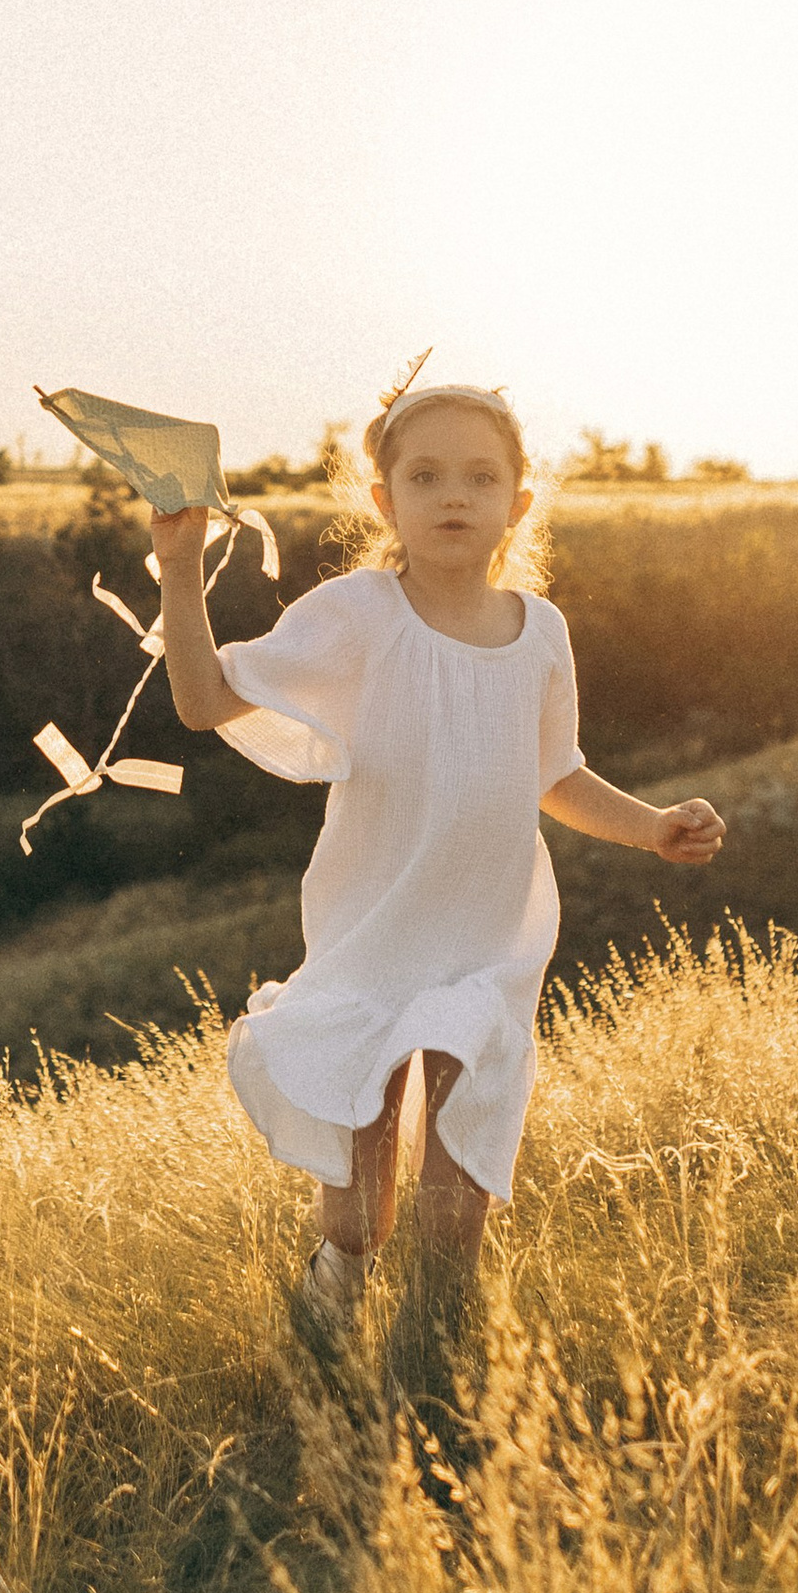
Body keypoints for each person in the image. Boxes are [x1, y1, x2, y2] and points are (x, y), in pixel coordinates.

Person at [154, 370, 726, 1333]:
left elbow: (557, 777)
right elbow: (205, 702)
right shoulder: (359, 614)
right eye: (424, 477)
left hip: (488, 944)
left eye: (478, 477)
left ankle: (438, 1358)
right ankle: (333, 1291)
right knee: (364, 1216)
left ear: (518, 501)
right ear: (384, 500)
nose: (454, 496)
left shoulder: (542, 632)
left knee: (456, 1215)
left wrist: (652, 823)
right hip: (374, 936)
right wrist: (178, 569)